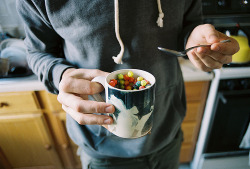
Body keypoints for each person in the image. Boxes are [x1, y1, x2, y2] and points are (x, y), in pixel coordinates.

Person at [16, 0, 239, 169]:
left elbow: (189, 24)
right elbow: (37, 51)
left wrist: (194, 40)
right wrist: (61, 75)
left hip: (167, 132)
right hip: (102, 146)